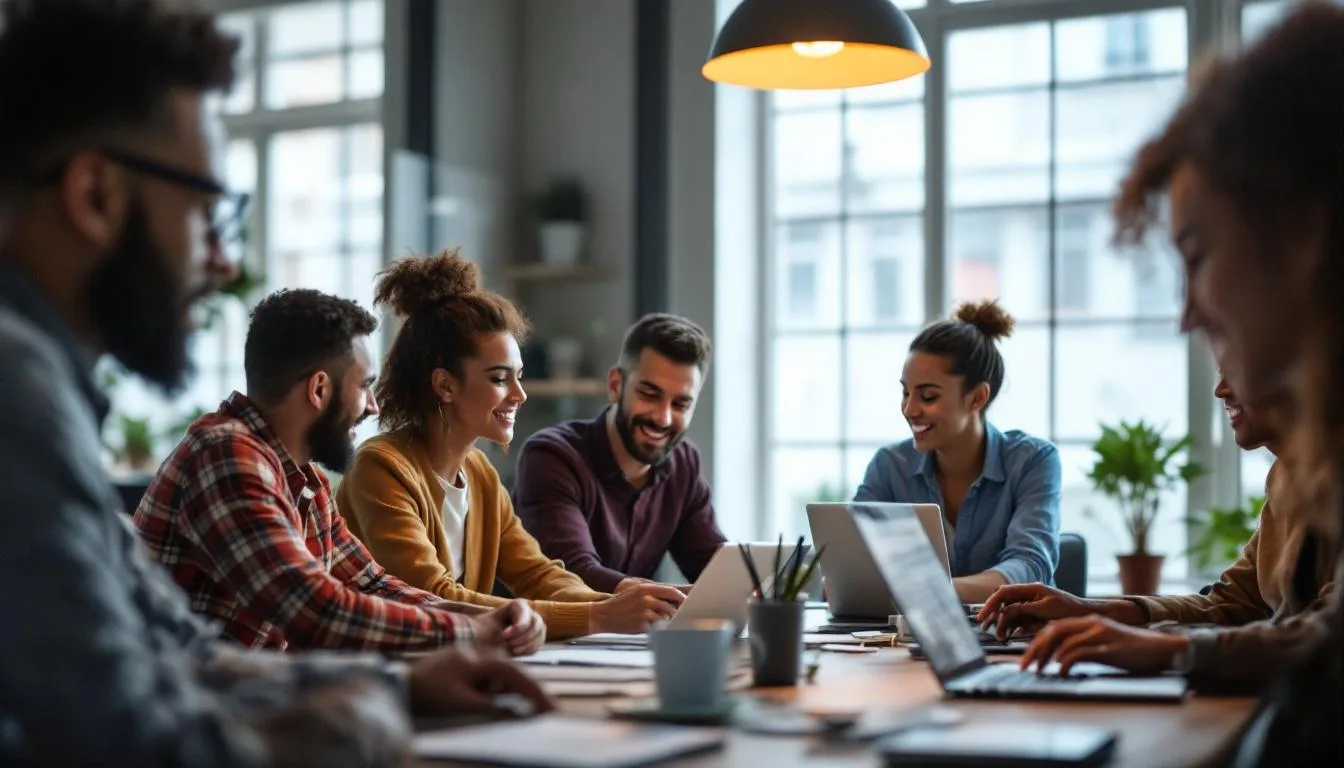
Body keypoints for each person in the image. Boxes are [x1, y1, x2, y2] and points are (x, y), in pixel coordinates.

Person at [0, 2, 550, 764]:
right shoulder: (20, 395)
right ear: (96, 195)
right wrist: (365, 716)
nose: (224, 261)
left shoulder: (48, 392)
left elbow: (184, 654)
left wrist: (402, 685)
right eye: (207, 214)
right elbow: (125, 733)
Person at [1052, 4, 1344, 763]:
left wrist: (1173, 651)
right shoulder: (1311, 469)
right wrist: (1106, 612)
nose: (1187, 314)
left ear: (1303, 232)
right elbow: (1244, 605)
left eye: (1198, 254)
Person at [134, 288, 545, 656]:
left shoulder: (305, 479)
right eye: (364, 386)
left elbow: (372, 584)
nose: (373, 406)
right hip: (181, 705)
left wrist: (488, 617)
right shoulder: (224, 456)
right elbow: (316, 610)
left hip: (245, 695)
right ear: (319, 389)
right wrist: (472, 632)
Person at [337, 250, 686, 638]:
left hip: (450, 661)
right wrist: (599, 616)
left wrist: (628, 601)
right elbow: (433, 597)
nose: (520, 394)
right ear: (445, 385)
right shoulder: (380, 467)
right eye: (500, 379)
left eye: (519, 377)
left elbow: (537, 573)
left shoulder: (480, 474)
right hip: (379, 667)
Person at [976, 374, 1336, 689]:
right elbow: (1234, 604)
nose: (1220, 390)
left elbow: (1328, 639)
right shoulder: (1287, 478)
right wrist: (1087, 610)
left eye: (1236, 369)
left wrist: (1170, 649)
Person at [854, 300, 1062, 603]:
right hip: (908, 630)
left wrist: (933, 592)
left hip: (1011, 628)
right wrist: (841, 582)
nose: (909, 409)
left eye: (927, 396)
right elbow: (852, 565)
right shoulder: (889, 466)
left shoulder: (1032, 461)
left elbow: (1030, 567)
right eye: (906, 393)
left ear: (977, 398)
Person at [512, 313, 726, 592]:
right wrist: (675, 597)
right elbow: (573, 576)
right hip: (539, 621)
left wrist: (755, 588)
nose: (663, 418)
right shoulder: (551, 457)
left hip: (632, 623)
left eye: (681, 404)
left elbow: (714, 569)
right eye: (649, 394)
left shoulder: (684, 464)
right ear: (615, 385)